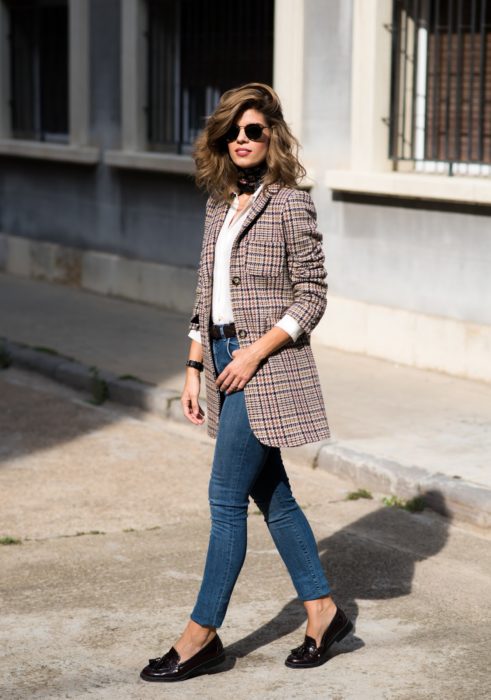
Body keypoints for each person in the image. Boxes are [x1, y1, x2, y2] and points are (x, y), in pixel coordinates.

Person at [140, 83, 353, 683]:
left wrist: (254, 355)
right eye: (232, 129)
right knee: (274, 498)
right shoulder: (219, 204)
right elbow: (205, 296)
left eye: (253, 130)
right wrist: (192, 364)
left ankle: (200, 637)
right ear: (220, 138)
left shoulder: (290, 203)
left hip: (267, 367)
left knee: (225, 500)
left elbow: (312, 296)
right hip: (221, 358)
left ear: (271, 136)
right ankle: (322, 612)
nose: (241, 139)